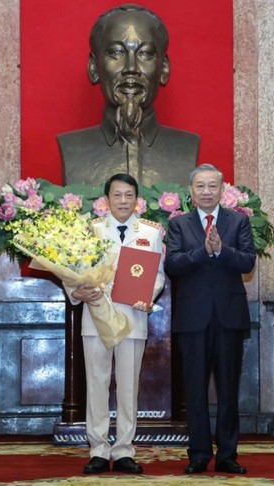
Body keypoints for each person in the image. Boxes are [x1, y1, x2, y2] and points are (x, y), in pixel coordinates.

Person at [66, 173, 165, 475]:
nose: (123, 201)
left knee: (128, 387)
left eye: (129, 195)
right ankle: (98, 449)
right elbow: (72, 272)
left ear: (137, 200)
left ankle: (123, 449)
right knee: (96, 384)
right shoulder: (89, 230)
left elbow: (158, 273)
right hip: (96, 316)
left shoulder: (152, 231)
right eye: (117, 195)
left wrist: (149, 294)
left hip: (132, 317)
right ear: (106, 199)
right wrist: (76, 291)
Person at [164, 163, 256, 475]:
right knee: (195, 389)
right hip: (193, 319)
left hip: (229, 317)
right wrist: (203, 253)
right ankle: (199, 454)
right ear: (191, 191)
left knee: (229, 389)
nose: (206, 192)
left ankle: (228, 455)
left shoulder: (237, 222)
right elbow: (172, 265)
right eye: (200, 186)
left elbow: (247, 262)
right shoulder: (179, 225)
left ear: (222, 190)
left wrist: (222, 250)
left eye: (212, 186)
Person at [58, 4, 199, 187]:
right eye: (117, 52)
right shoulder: (72, 148)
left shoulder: (186, 147)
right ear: (94, 67)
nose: (131, 68)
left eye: (145, 53)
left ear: (163, 68)